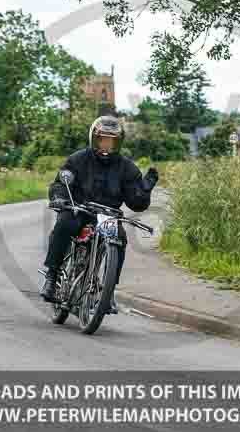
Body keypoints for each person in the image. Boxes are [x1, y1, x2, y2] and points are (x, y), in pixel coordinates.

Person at [41, 115, 159, 313]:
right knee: (64, 224)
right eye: (103, 139)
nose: (106, 144)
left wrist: (145, 190)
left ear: (118, 142)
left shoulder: (127, 168)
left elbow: (136, 203)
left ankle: (109, 292)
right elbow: (61, 183)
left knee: (119, 237)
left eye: (111, 141)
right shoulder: (78, 159)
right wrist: (60, 198)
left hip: (108, 215)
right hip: (80, 209)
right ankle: (52, 277)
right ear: (94, 139)